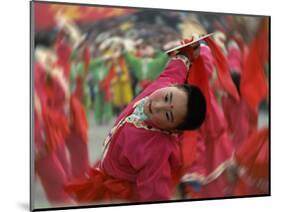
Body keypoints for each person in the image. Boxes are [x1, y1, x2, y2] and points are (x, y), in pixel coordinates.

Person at [65, 36, 208, 203]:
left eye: (168, 116)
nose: (159, 106)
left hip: (118, 193)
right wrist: (186, 54)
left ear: (173, 130)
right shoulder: (164, 84)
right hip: (107, 167)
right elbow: (176, 69)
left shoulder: (156, 150)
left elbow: (155, 193)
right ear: (171, 87)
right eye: (167, 98)